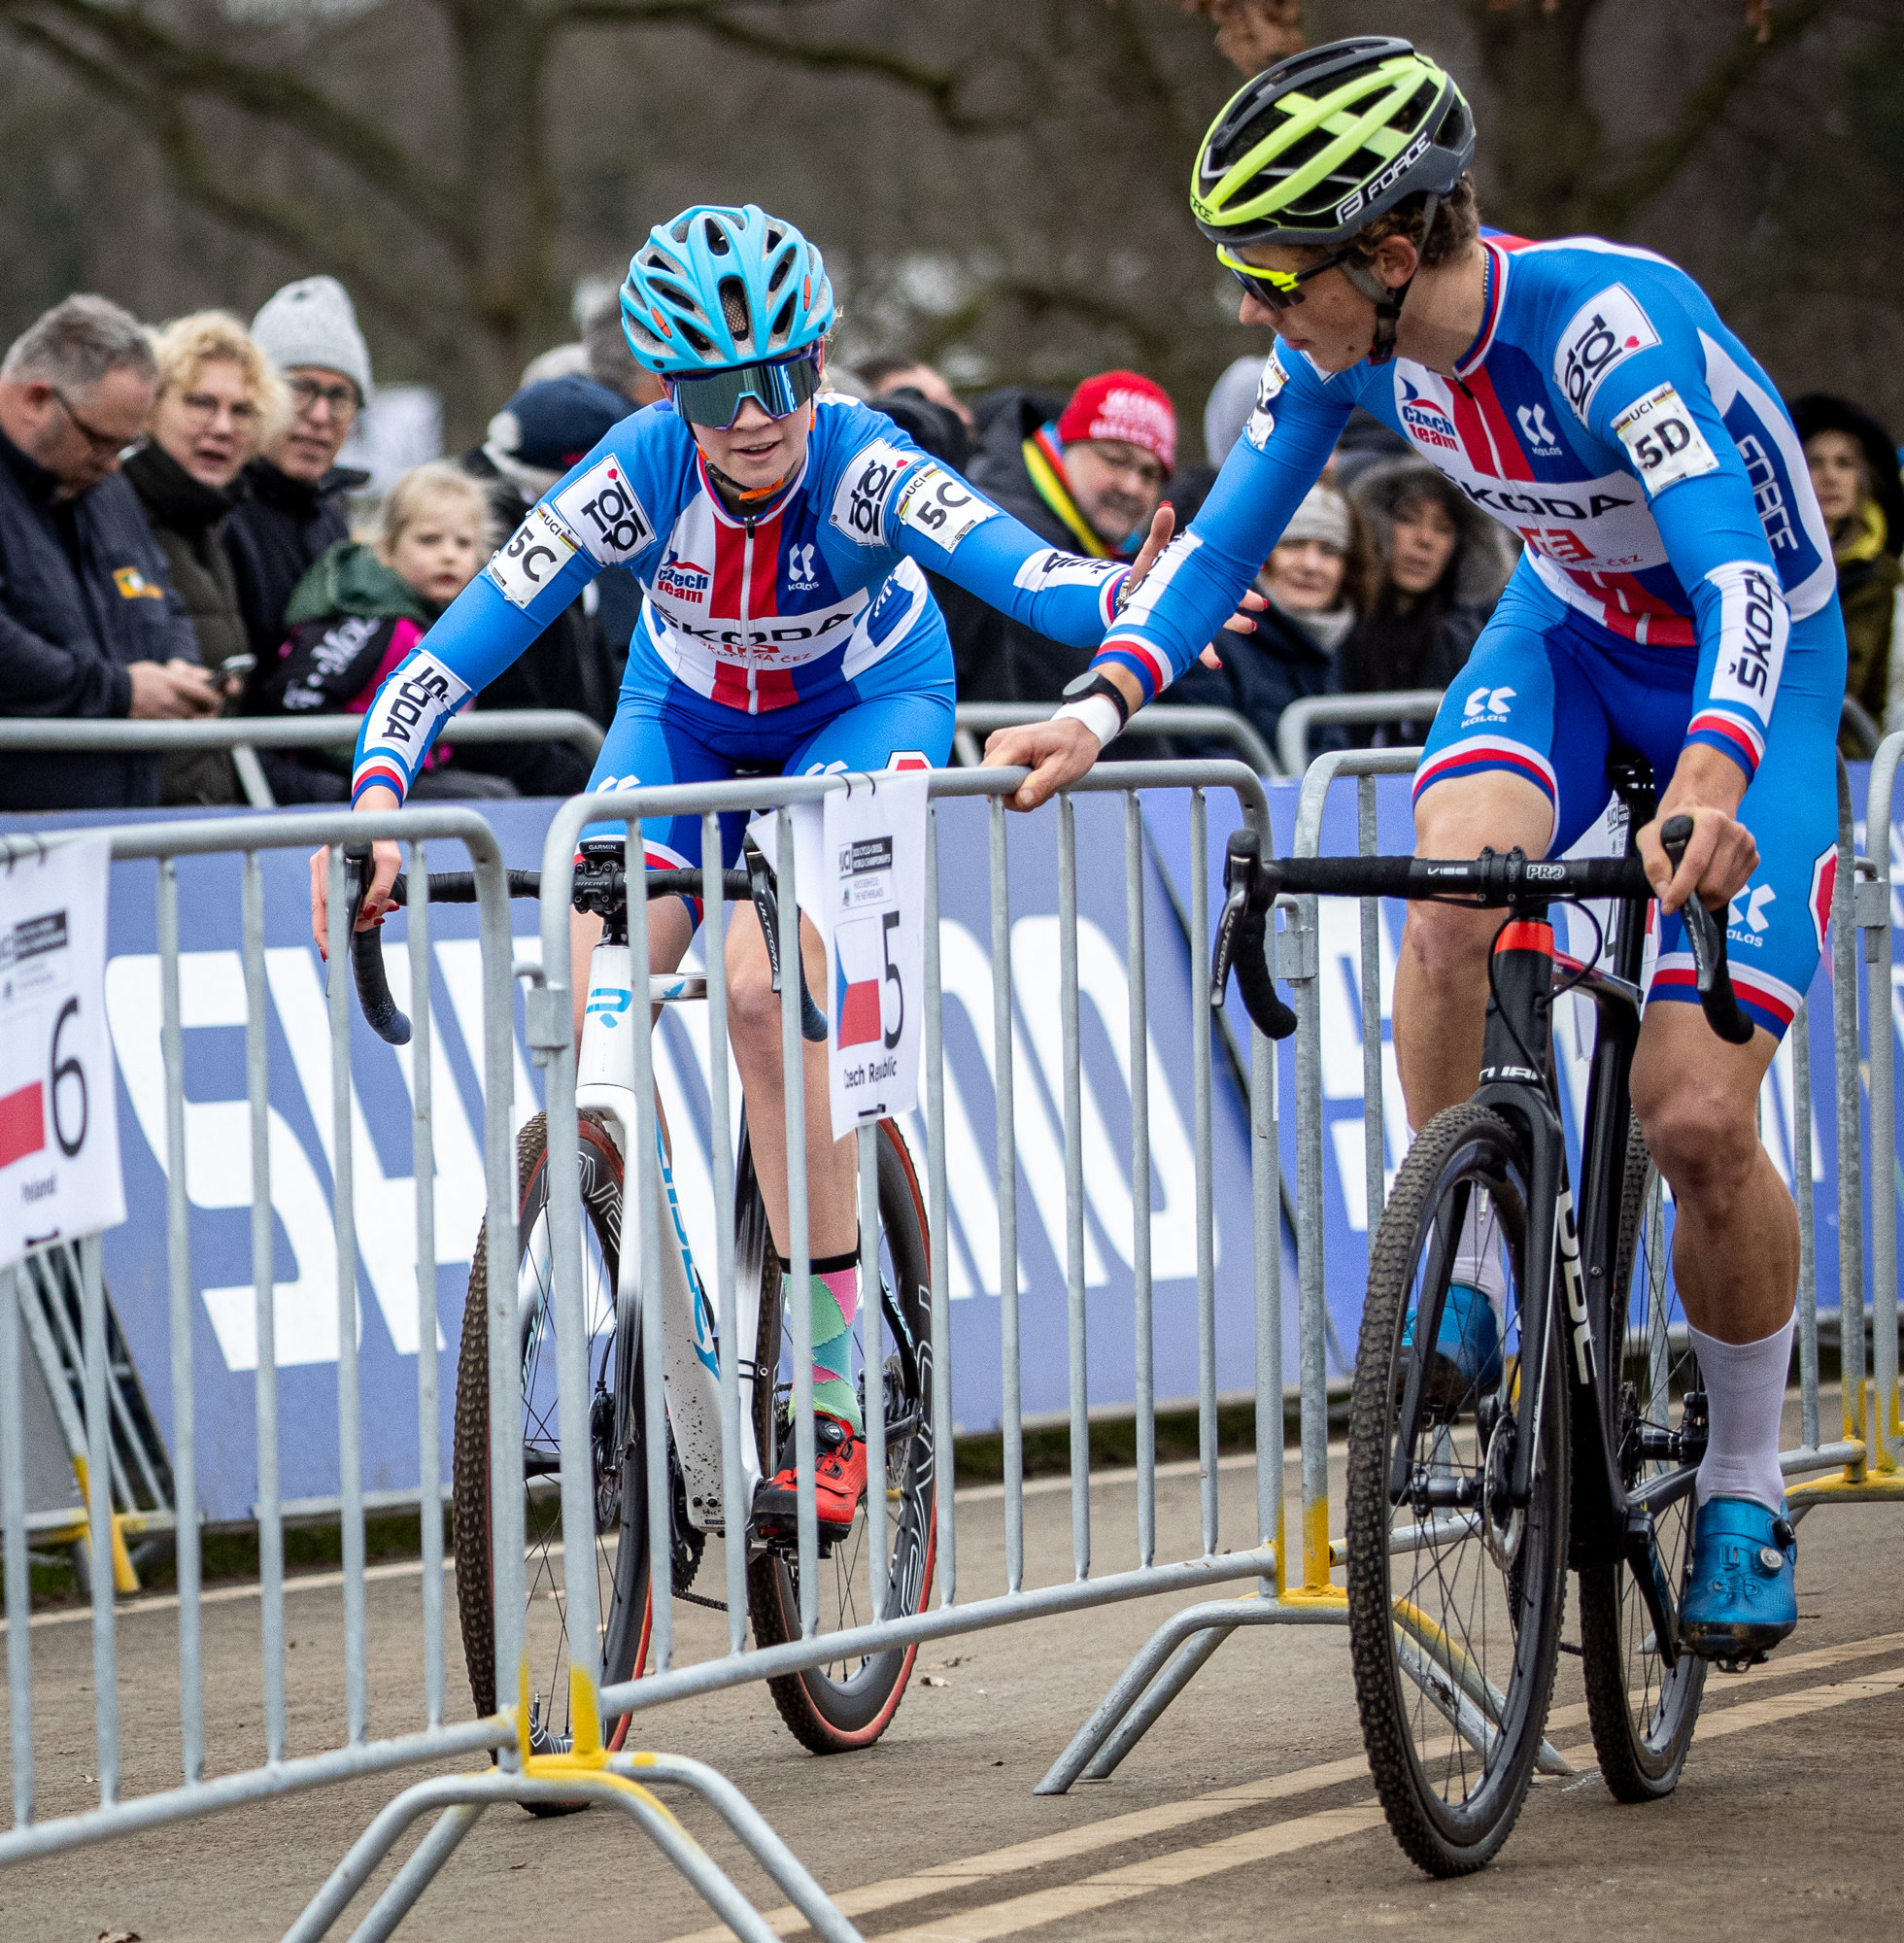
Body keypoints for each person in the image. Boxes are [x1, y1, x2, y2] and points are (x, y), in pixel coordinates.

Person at [991, 36, 1845, 1664]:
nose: (1254, 305)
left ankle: (1744, 1476)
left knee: (1690, 1117)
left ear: (1388, 254)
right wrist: (1096, 711)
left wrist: (1712, 778)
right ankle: (1477, 1250)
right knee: (1451, 893)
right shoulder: (1344, 353)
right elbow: (1222, 547)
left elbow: (1741, 580)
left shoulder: (1603, 330)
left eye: (1272, 273)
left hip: (1757, 666)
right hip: (1570, 635)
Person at [313, 205, 1235, 1542]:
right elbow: (446, 657)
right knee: (579, 1003)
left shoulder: (864, 463)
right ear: (665, 392)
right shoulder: (631, 475)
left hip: (865, 708)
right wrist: (377, 803)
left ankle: (830, 1391)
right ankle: (647, 1305)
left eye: (781, 376)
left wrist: (1130, 595)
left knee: (761, 995)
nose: (753, 417)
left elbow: (1029, 574)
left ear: (821, 359)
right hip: (681, 718)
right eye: (711, 391)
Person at [0, 294, 219, 811]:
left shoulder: (101, 483)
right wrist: (119, 692)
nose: (114, 465)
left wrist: (180, 670)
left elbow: (162, 595)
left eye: (126, 446)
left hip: (120, 821)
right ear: (36, 399)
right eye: (101, 442)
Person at [255, 462, 513, 801]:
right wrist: (380, 760)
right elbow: (297, 702)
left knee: (497, 792)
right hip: (337, 781)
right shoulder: (370, 622)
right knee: (483, 799)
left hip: (403, 774)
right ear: (388, 549)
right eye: (429, 540)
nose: (449, 555)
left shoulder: (439, 622)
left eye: (463, 543)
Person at [124, 310, 290, 804]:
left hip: (202, 820)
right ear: (150, 407)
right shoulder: (110, 510)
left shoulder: (210, 524)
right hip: (134, 823)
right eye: (200, 402)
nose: (222, 427)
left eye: (242, 411)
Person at [951, 368, 1177, 699]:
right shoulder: (1008, 531)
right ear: (1065, 446)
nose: (1132, 486)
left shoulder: (1117, 550)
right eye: (1116, 460)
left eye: (1149, 473)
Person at [459, 373, 627, 794]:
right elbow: (503, 710)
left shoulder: (568, 531)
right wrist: (587, 786)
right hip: (536, 803)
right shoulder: (493, 546)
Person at [225, 277, 372, 676]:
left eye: (340, 396)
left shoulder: (332, 513)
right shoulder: (218, 511)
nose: (320, 416)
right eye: (299, 390)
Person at [1164, 481, 1371, 758]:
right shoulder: (1209, 643)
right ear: (1259, 554)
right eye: (1293, 544)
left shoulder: (1335, 644)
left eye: (1329, 551)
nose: (1311, 565)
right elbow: (1209, 762)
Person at [1333, 455, 1515, 744]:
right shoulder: (1333, 627)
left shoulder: (1470, 645)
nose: (1424, 539)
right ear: (1373, 526)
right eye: (1407, 519)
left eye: (1442, 528)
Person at [1789, 393, 1904, 752]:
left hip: (1859, 763)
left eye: (1845, 463)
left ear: (1863, 477)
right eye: (1814, 462)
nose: (1830, 477)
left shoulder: (1887, 582)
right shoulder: (1770, 567)